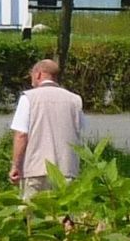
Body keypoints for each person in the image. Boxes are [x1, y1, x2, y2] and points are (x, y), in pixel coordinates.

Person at [9, 58, 83, 198]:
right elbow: (78, 131)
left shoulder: (28, 98)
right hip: (66, 169)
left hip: (36, 169)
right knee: (64, 216)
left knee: (32, 214)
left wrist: (16, 165)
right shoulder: (75, 100)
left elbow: (21, 135)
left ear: (38, 74)